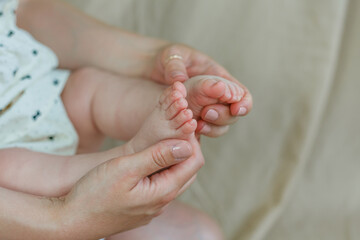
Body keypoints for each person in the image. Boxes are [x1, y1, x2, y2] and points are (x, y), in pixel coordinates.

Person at [0, 0, 253, 239]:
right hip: (19, 194)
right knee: (8, 168)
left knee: (87, 88)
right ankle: (126, 156)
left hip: (36, 96)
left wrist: (150, 57)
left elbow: (20, 8)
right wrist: (63, 218)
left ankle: (167, 103)